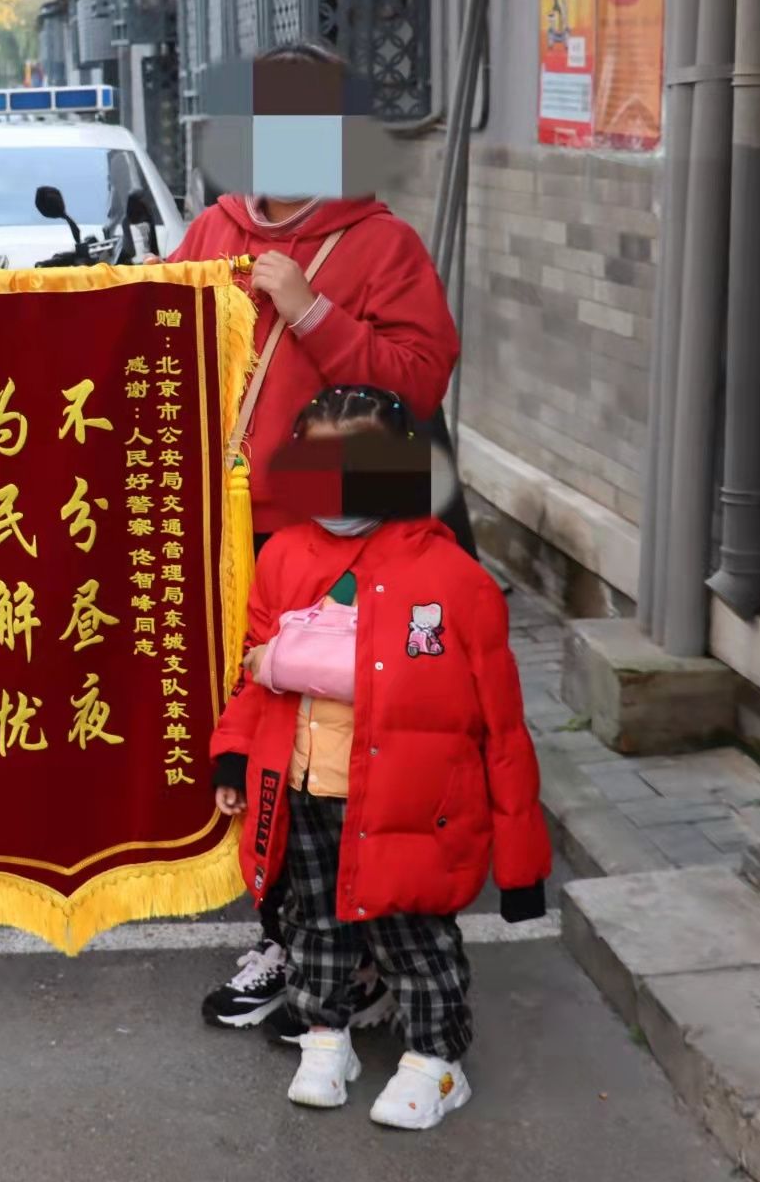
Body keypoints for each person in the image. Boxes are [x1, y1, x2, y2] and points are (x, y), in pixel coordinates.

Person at [164, 41, 464, 1036]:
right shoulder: (212, 227)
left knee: (334, 750)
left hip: (343, 545)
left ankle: (364, 953)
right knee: (258, 746)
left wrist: (313, 312)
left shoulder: (381, 244)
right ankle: (286, 933)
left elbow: (417, 381)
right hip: (229, 546)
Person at [208, 385, 550, 1129]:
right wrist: (235, 758)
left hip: (414, 802)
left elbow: (502, 725)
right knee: (314, 927)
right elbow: (254, 677)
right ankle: (326, 1040)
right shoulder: (284, 558)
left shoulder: (454, 579)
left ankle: (436, 1060)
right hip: (304, 790)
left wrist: (522, 866)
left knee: (414, 933)